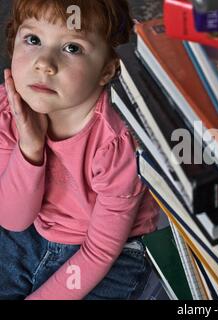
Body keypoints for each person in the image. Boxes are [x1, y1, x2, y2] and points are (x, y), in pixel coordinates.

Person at [0, 0, 163, 300]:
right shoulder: (9, 109)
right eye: (33, 40)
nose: (44, 63)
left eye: (72, 48)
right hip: (33, 230)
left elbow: (99, 252)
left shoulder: (118, 142)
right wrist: (30, 148)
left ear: (106, 70)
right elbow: (13, 219)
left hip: (111, 251)